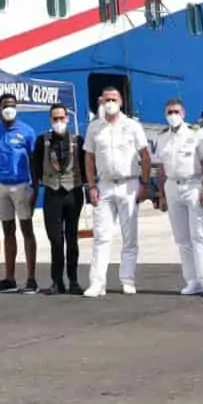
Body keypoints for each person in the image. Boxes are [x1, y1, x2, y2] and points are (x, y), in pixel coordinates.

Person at [142, 96, 203, 297]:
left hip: (193, 185)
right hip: (172, 187)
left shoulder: (196, 135)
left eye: (176, 112)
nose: (173, 116)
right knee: (182, 238)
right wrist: (162, 195)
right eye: (169, 113)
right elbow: (161, 167)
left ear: (183, 114)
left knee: (199, 235)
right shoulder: (162, 138)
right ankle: (192, 280)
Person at [81, 87, 146, 297]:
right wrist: (91, 186)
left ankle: (127, 279)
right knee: (101, 236)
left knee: (130, 237)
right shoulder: (95, 128)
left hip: (129, 185)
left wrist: (144, 183)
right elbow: (88, 158)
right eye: (106, 99)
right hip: (105, 185)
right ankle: (97, 283)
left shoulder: (132, 126)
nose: (110, 102)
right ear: (101, 102)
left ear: (121, 101)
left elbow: (145, 155)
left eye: (113, 99)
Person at [0, 92, 39, 292]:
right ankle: (9, 278)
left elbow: (34, 162)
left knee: (27, 230)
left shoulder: (27, 132)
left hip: (22, 186)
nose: (9, 108)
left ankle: (31, 279)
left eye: (12, 105)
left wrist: (35, 188)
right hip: (0, 186)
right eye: (5, 105)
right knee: (8, 230)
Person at [32, 102, 85, 294]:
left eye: (62, 118)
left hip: (73, 192)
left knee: (72, 238)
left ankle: (74, 280)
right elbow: (35, 166)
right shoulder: (42, 141)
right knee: (55, 238)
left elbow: (85, 165)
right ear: (50, 120)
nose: (59, 121)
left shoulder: (77, 140)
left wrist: (88, 185)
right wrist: (36, 188)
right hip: (52, 192)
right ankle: (57, 281)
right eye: (55, 118)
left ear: (68, 119)